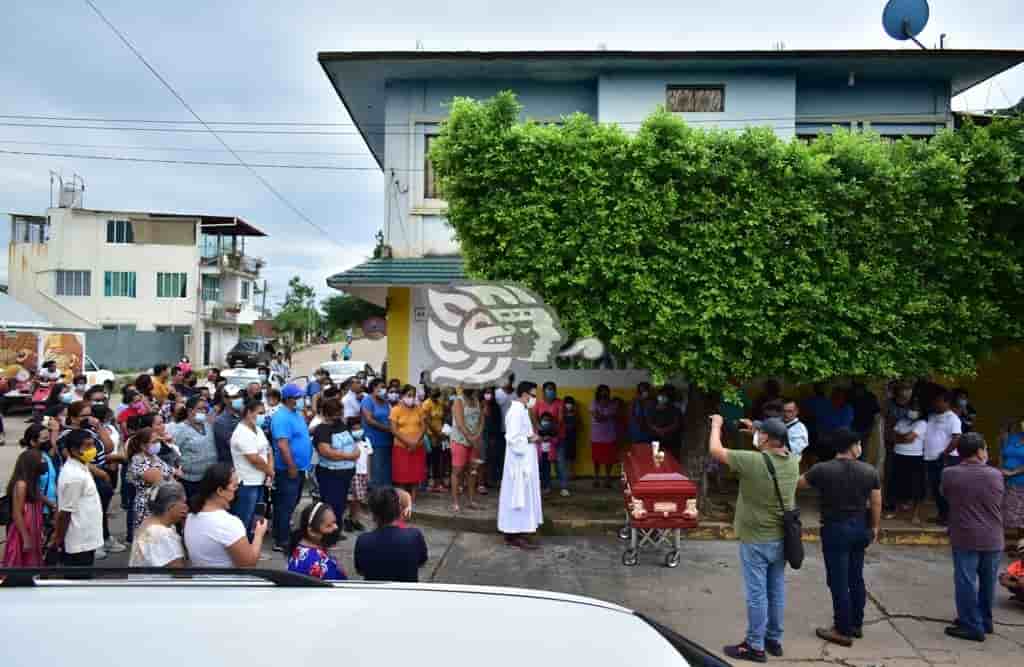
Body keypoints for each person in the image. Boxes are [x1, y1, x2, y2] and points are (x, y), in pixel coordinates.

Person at [709, 414, 799, 663]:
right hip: (781, 538)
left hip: (756, 539)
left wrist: (717, 424)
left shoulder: (752, 462)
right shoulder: (793, 461)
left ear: (767, 438)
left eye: (760, 433)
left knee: (757, 594)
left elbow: (715, 450)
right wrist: (757, 430)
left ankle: (754, 645)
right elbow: (775, 444)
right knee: (777, 590)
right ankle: (773, 639)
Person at [799, 428, 882, 647]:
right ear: (854, 446)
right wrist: (874, 526)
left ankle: (841, 629)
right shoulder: (869, 471)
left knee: (838, 580)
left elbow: (798, 484)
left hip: (835, 529)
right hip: (860, 528)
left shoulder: (822, 470)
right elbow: (875, 502)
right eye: (858, 444)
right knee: (856, 577)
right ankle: (856, 624)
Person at [941, 433, 1005, 642]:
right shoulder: (996, 475)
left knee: (966, 581)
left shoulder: (949, 473)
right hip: (993, 537)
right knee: (988, 582)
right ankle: (984, 621)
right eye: (985, 448)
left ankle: (971, 624)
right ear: (979, 452)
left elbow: (946, 495)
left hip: (965, 536)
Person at [183, 463, 268, 567]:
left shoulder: (190, 516)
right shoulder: (229, 523)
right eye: (235, 486)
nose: (237, 490)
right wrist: (258, 535)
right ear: (220, 491)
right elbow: (249, 564)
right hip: (226, 581)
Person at [499, 382, 544, 550]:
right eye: (533, 395)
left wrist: (532, 436)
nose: (535, 398)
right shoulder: (516, 411)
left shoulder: (523, 410)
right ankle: (514, 534)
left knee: (523, 498)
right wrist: (530, 439)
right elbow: (512, 439)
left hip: (524, 463)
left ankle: (519, 532)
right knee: (517, 498)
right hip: (518, 466)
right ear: (524, 394)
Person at [51, 429, 105, 567]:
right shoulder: (74, 476)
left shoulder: (82, 466)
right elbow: (65, 512)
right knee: (79, 579)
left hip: (86, 536)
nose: (92, 450)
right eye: (87, 446)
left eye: (92, 445)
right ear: (74, 450)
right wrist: (58, 539)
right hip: (79, 540)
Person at [271, 383, 314, 552]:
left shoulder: (296, 413)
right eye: (298, 397)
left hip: (300, 468)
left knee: (292, 503)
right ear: (289, 399)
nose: (302, 400)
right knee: (285, 505)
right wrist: (291, 466)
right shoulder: (281, 417)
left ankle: (283, 533)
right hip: (288, 469)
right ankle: (281, 540)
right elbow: (283, 445)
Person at [354, 487, 428, 582]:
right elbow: (421, 562)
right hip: (407, 593)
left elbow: (360, 570)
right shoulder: (414, 535)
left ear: (373, 513)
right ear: (399, 510)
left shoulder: (363, 540)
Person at [312, 398, 358, 540]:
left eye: (340, 412)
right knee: (331, 503)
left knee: (341, 503)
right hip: (330, 473)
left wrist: (355, 453)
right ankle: (327, 532)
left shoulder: (341, 425)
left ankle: (336, 529)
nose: (339, 415)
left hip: (345, 472)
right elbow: (327, 452)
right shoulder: (322, 429)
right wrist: (349, 456)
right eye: (336, 412)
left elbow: (352, 441)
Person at [230, 400, 274, 537]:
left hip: (260, 481)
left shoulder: (257, 429)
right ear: (249, 412)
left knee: (257, 516)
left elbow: (268, 450)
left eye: (264, 413)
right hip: (248, 483)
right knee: (245, 517)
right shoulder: (241, 433)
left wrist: (269, 472)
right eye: (259, 413)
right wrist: (270, 471)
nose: (262, 416)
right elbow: (254, 459)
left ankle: (252, 544)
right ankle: (242, 548)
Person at [127, 427, 177, 532]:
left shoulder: (154, 456)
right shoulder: (138, 460)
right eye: (154, 442)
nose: (157, 444)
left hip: (162, 502)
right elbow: (159, 480)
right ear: (143, 445)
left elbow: (170, 471)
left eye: (158, 441)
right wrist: (171, 477)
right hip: (148, 505)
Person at [2, 449, 47, 566]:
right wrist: (25, 538)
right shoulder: (21, 485)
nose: (43, 462)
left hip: (33, 529)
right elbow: (17, 513)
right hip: (23, 531)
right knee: (21, 563)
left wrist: (52, 504)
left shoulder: (32, 482)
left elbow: (38, 495)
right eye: (41, 459)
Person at [924, 391, 962, 526]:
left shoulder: (953, 418)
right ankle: (942, 514)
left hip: (946, 458)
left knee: (945, 489)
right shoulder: (932, 416)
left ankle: (949, 517)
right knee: (935, 488)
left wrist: (945, 453)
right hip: (930, 458)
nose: (935, 403)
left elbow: (957, 438)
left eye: (939, 400)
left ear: (947, 403)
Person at [129, 481, 188, 568]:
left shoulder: (149, 520)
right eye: (183, 502)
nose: (186, 507)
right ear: (171, 507)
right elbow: (177, 572)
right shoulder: (162, 534)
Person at [888, 405, 928, 525]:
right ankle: (896, 511)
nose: (913, 411)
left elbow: (909, 438)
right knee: (897, 483)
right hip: (899, 455)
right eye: (912, 408)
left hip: (915, 457)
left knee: (915, 486)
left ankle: (915, 515)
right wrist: (903, 438)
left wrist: (900, 437)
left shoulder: (922, 423)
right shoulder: (902, 420)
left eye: (916, 409)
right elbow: (891, 436)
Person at [288, 501, 347, 580]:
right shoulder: (319, 563)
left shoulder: (299, 548)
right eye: (329, 525)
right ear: (312, 531)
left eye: (335, 522)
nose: (336, 527)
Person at [176, 396, 218, 501]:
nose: (204, 411)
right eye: (200, 408)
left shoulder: (208, 425)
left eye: (205, 409)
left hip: (208, 478)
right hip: (190, 481)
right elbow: (174, 453)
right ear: (190, 410)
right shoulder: (180, 429)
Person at [391, 384, 427, 506]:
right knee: (402, 475)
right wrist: (408, 442)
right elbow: (394, 430)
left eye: (413, 395)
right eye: (409, 395)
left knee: (415, 473)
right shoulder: (396, 409)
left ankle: (413, 498)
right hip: (401, 447)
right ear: (402, 396)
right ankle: (403, 499)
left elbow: (423, 426)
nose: (411, 398)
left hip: (417, 446)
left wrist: (416, 442)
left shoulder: (419, 408)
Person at [450, 386, 483, 511]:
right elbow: (460, 423)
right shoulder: (459, 401)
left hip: (474, 440)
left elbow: (481, 420)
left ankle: (471, 500)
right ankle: (455, 502)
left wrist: (478, 435)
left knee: (472, 471)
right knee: (457, 471)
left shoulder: (476, 400)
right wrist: (471, 438)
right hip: (460, 440)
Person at [535, 382, 568, 497]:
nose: (551, 391)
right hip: (543, 440)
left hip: (557, 438)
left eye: (552, 389)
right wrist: (542, 434)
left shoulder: (560, 403)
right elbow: (535, 420)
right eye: (548, 389)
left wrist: (551, 433)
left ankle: (563, 487)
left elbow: (560, 420)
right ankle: (546, 486)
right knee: (545, 464)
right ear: (543, 391)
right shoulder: (538, 404)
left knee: (560, 462)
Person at [361, 378, 394, 488]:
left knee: (386, 469)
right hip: (373, 441)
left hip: (387, 440)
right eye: (382, 387)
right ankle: (376, 496)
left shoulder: (385, 402)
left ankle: (386, 495)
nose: (384, 390)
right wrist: (387, 428)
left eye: (385, 387)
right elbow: (369, 420)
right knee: (376, 469)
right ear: (374, 388)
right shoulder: (367, 400)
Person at [1000, 417, 1024, 548]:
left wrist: (1012, 472)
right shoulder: (1014, 437)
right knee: (1012, 515)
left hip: (1021, 482)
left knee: (1022, 517)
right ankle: (1018, 546)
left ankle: (1021, 548)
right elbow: (1004, 454)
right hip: (1009, 482)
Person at [591, 385, 619, 488]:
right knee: (596, 458)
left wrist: (602, 415)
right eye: (602, 392)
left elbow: (607, 415)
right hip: (596, 436)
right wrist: (605, 416)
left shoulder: (613, 404)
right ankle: (596, 477)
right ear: (598, 393)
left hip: (609, 436)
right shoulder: (594, 403)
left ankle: (607, 478)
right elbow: (597, 417)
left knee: (609, 459)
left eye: (606, 391)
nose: (604, 394)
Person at [649, 386, 682, 461]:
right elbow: (649, 423)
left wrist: (664, 430)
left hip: (671, 440)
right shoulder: (652, 408)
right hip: (656, 438)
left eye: (665, 396)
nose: (662, 398)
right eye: (661, 395)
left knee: (670, 460)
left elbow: (676, 424)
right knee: (658, 460)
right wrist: (658, 430)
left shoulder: (675, 410)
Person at [849, 381, 880, 458]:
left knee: (861, 450)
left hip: (864, 427)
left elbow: (877, 413)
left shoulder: (870, 397)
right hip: (855, 427)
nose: (857, 391)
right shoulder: (852, 396)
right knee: (856, 450)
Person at [214, 385, 244, 464]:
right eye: (234, 397)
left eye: (239, 396)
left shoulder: (242, 415)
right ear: (225, 399)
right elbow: (234, 444)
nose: (238, 399)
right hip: (230, 464)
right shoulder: (220, 421)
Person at [482, 387, 505, 490]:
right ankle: (482, 481)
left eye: (490, 393)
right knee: (482, 460)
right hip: (480, 436)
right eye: (486, 392)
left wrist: (493, 437)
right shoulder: (479, 404)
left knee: (492, 459)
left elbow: (497, 423)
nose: (488, 395)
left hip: (492, 437)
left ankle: (492, 480)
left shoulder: (495, 407)